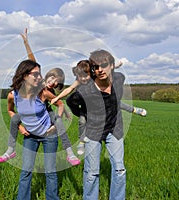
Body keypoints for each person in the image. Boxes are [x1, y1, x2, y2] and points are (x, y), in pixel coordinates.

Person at [0, 28, 80, 166]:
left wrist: (62, 114)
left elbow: (59, 103)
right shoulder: (38, 82)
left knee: (58, 122)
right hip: (32, 111)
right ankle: (10, 149)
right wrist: (26, 43)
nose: (53, 83)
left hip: (46, 113)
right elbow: (32, 61)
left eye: (56, 83)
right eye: (53, 78)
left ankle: (70, 153)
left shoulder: (47, 92)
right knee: (15, 119)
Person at [66, 49, 127, 200]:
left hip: (115, 128)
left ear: (111, 65)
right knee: (92, 172)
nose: (100, 70)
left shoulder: (119, 79)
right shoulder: (86, 90)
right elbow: (70, 101)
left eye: (104, 65)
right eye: (96, 67)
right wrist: (83, 114)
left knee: (120, 169)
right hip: (93, 131)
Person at [51, 59, 147, 155]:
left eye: (86, 76)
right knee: (82, 121)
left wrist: (116, 66)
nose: (83, 79)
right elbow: (69, 89)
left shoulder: (94, 76)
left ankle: (135, 110)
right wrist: (57, 98)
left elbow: (106, 70)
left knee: (116, 103)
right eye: (80, 76)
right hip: (85, 106)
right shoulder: (78, 80)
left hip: (98, 103)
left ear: (91, 72)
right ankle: (81, 142)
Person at [9, 59, 60, 200]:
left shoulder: (42, 92)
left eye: (39, 74)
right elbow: (11, 111)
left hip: (49, 135)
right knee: (26, 170)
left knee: (50, 171)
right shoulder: (14, 94)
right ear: (25, 75)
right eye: (35, 74)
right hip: (30, 136)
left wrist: (56, 125)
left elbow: (60, 104)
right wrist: (19, 126)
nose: (39, 77)